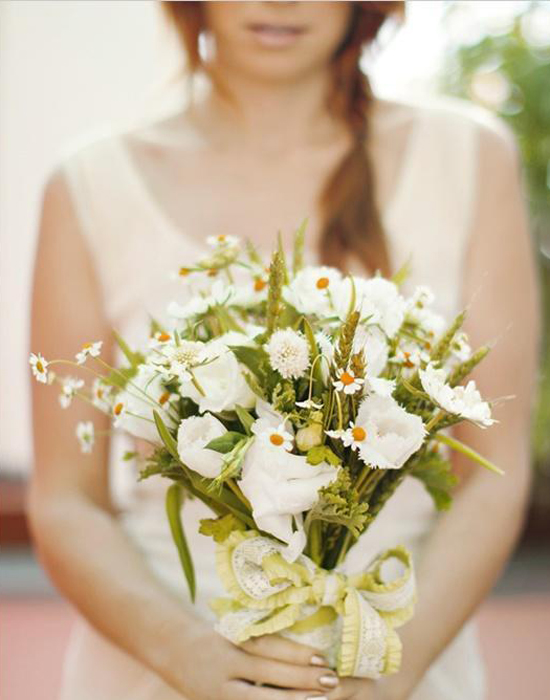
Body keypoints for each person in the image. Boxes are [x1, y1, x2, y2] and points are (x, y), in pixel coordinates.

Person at [29, 2, 540, 699]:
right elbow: (65, 500)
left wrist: (395, 666)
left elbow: (494, 468)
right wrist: (187, 655)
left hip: (401, 664)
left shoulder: (468, 159)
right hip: (164, 666)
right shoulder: (91, 185)